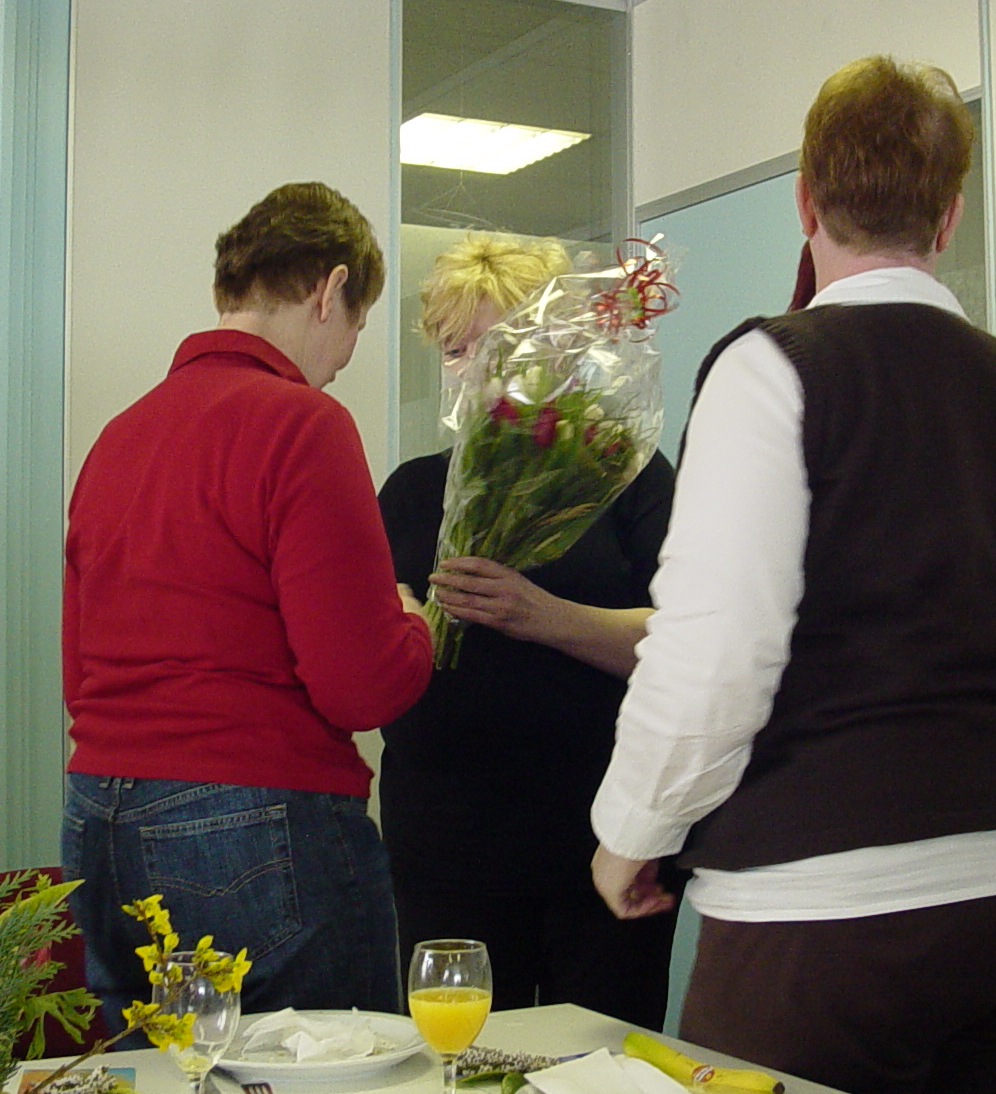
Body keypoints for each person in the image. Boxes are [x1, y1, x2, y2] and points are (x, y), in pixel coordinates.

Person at [590, 56, 996, 1094]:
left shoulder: (772, 366)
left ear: (805, 200)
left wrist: (632, 829)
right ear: (950, 216)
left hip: (840, 891)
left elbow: (719, 647)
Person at [61, 182, 432, 1032]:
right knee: (329, 1073)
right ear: (330, 290)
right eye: (356, 328)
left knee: (163, 1075)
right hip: (254, 821)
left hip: (98, 818)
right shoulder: (304, 423)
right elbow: (361, 686)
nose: (342, 359)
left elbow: (78, 673)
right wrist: (414, 622)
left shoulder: (117, 437)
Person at [376, 233, 681, 1030]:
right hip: (446, 846)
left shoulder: (620, 473)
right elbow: (369, 657)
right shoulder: (411, 493)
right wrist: (401, 629)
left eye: (493, 344)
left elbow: (687, 640)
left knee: (603, 1062)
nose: (470, 366)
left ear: (556, 348)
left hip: (602, 837)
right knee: (462, 1063)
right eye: (454, 349)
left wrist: (543, 617)